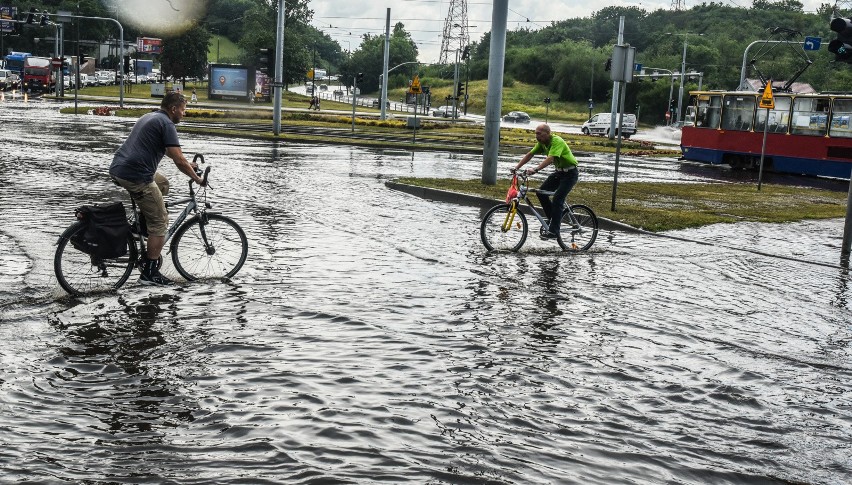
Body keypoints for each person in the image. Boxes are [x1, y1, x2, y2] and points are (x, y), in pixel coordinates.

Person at [109, 91, 205, 286]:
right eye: (183, 110)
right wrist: (197, 178)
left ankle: (142, 226)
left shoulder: (152, 116)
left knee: (162, 183)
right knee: (161, 222)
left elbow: (174, 153)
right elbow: (178, 160)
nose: (184, 114)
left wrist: (188, 164)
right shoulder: (168, 124)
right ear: (173, 109)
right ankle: (150, 273)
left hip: (120, 167)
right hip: (136, 175)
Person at [513, 123, 579, 239]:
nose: (536, 136)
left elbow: (550, 158)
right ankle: (553, 220)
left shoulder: (556, 141)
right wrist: (516, 168)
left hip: (570, 174)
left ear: (547, 133)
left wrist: (536, 169)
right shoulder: (542, 143)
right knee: (541, 192)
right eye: (535, 134)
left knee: (558, 198)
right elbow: (530, 154)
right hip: (559, 173)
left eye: (539, 134)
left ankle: (554, 231)